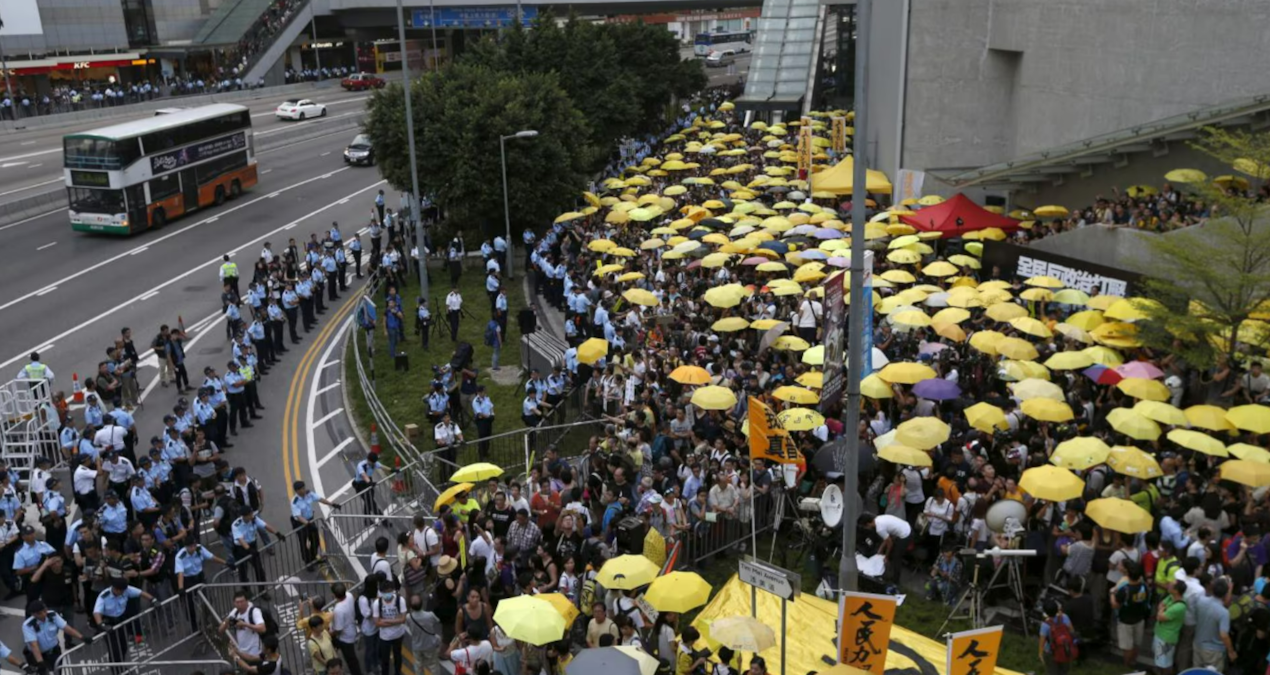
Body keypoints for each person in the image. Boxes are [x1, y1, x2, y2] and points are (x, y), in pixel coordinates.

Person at [22, 600, 86, 674]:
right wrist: (40, 662)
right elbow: (34, 645)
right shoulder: (28, 625)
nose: (44, 614)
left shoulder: (52, 616)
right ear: (33, 614)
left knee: (58, 670)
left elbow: (66, 628)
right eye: (39, 613)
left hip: (53, 652)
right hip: (37, 655)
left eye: (44, 611)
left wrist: (82, 637)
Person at [373, 578, 409, 675]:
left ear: (393, 590)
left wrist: (385, 620)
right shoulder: (377, 603)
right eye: (385, 592)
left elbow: (403, 619)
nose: (387, 594)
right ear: (381, 592)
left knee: (398, 657)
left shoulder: (400, 600)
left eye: (389, 591)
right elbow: (377, 623)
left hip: (398, 635)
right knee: (385, 660)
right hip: (385, 637)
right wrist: (396, 621)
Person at [1154, 580, 1188, 675]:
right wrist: (1161, 610)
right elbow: (1161, 605)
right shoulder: (1171, 597)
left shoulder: (1179, 606)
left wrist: (1161, 610)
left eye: (1171, 585)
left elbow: (1160, 617)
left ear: (1176, 591)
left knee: (1165, 663)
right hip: (1161, 634)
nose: (1168, 585)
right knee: (1160, 660)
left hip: (1166, 638)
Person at [408, 592, 443, 675]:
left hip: (416, 646)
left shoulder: (409, 617)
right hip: (430, 644)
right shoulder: (429, 615)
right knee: (433, 665)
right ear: (422, 604)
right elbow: (437, 621)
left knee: (418, 665)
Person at [1039, 598, 1076, 675]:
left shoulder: (1045, 625)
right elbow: (1072, 631)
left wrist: (1040, 654)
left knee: (1052, 672)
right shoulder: (1064, 617)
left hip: (1050, 652)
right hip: (1065, 649)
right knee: (1064, 671)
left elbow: (1042, 642)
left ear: (1046, 613)